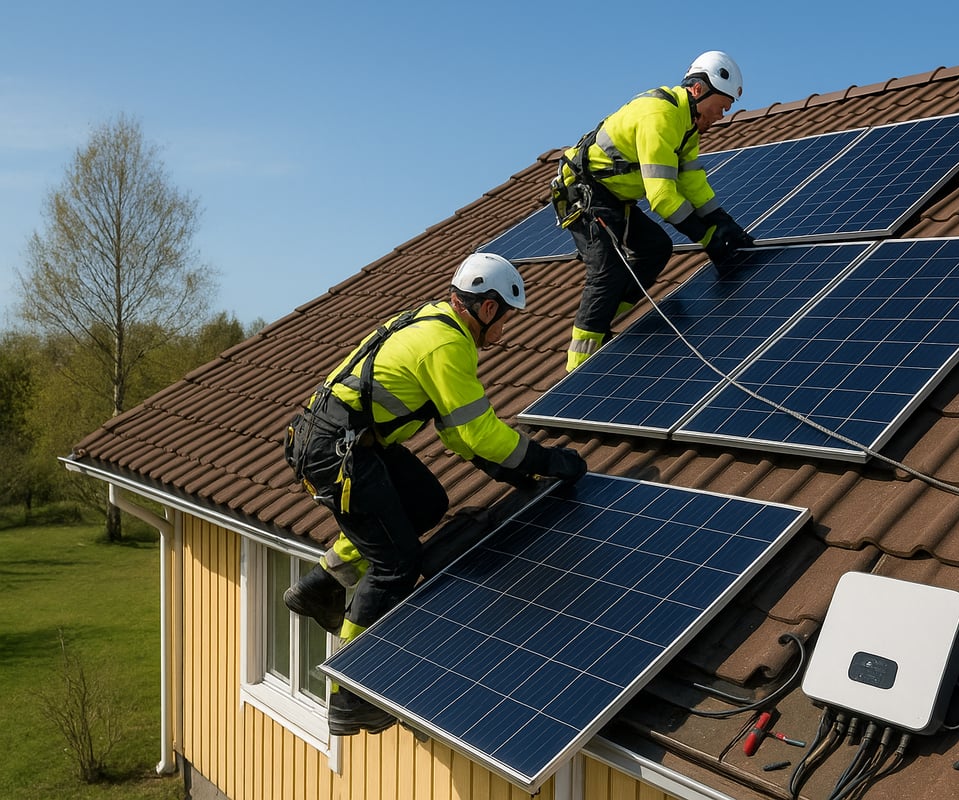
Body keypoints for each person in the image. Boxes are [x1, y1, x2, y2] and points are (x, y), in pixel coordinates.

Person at [282, 252, 588, 735]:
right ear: (487, 309)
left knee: (427, 503)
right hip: (340, 454)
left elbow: (457, 432)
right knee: (396, 566)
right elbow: (480, 433)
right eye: (505, 319)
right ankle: (349, 693)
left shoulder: (428, 319)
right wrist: (547, 461)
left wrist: (510, 473)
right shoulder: (447, 345)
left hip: (345, 441)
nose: (504, 334)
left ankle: (321, 584)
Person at [554, 50, 756, 372]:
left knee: (655, 248)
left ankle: (604, 322)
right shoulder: (659, 115)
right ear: (698, 90)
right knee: (607, 270)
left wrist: (722, 220)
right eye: (721, 106)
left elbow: (691, 181)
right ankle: (578, 367)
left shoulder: (688, 127)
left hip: (615, 198)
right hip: (584, 192)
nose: (722, 115)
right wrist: (706, 237)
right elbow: (661, 196)